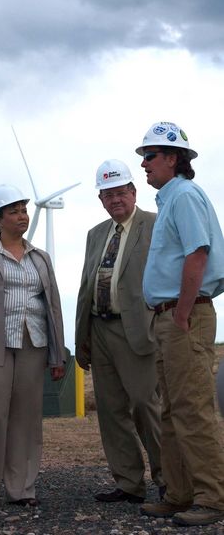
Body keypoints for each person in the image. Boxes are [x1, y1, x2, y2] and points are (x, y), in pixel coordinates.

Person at [136, 122, 224, 527]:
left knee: (192, 408)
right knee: (172, 409)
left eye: (149, 156)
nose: (144, 165)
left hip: (183, 315)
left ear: (173, 158)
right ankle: (179, 493)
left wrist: (184, 313)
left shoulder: (185, 196)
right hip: (169, 317)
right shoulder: (170, 199)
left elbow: (197, 254)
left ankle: (213, 497)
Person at [0, 184, 66, 507]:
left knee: (27, 418)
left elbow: (53, 307)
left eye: (24, 210)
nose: (23, 217)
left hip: (34, 343)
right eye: (14, 211)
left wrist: (57, 354)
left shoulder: (40, 258)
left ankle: (22, 489)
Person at [75, 159, 164, 504]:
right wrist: (81, 336)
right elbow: (86, 286)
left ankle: (167, 479)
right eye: (107, 195)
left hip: (139, 330)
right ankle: (128, 482)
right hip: (99, 329)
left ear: (133, 192)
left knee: (145, 405)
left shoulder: (154, 225)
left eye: (120, 193)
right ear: (100, 199)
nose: (115, 200)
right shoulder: (95, 234)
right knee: (111, 412)